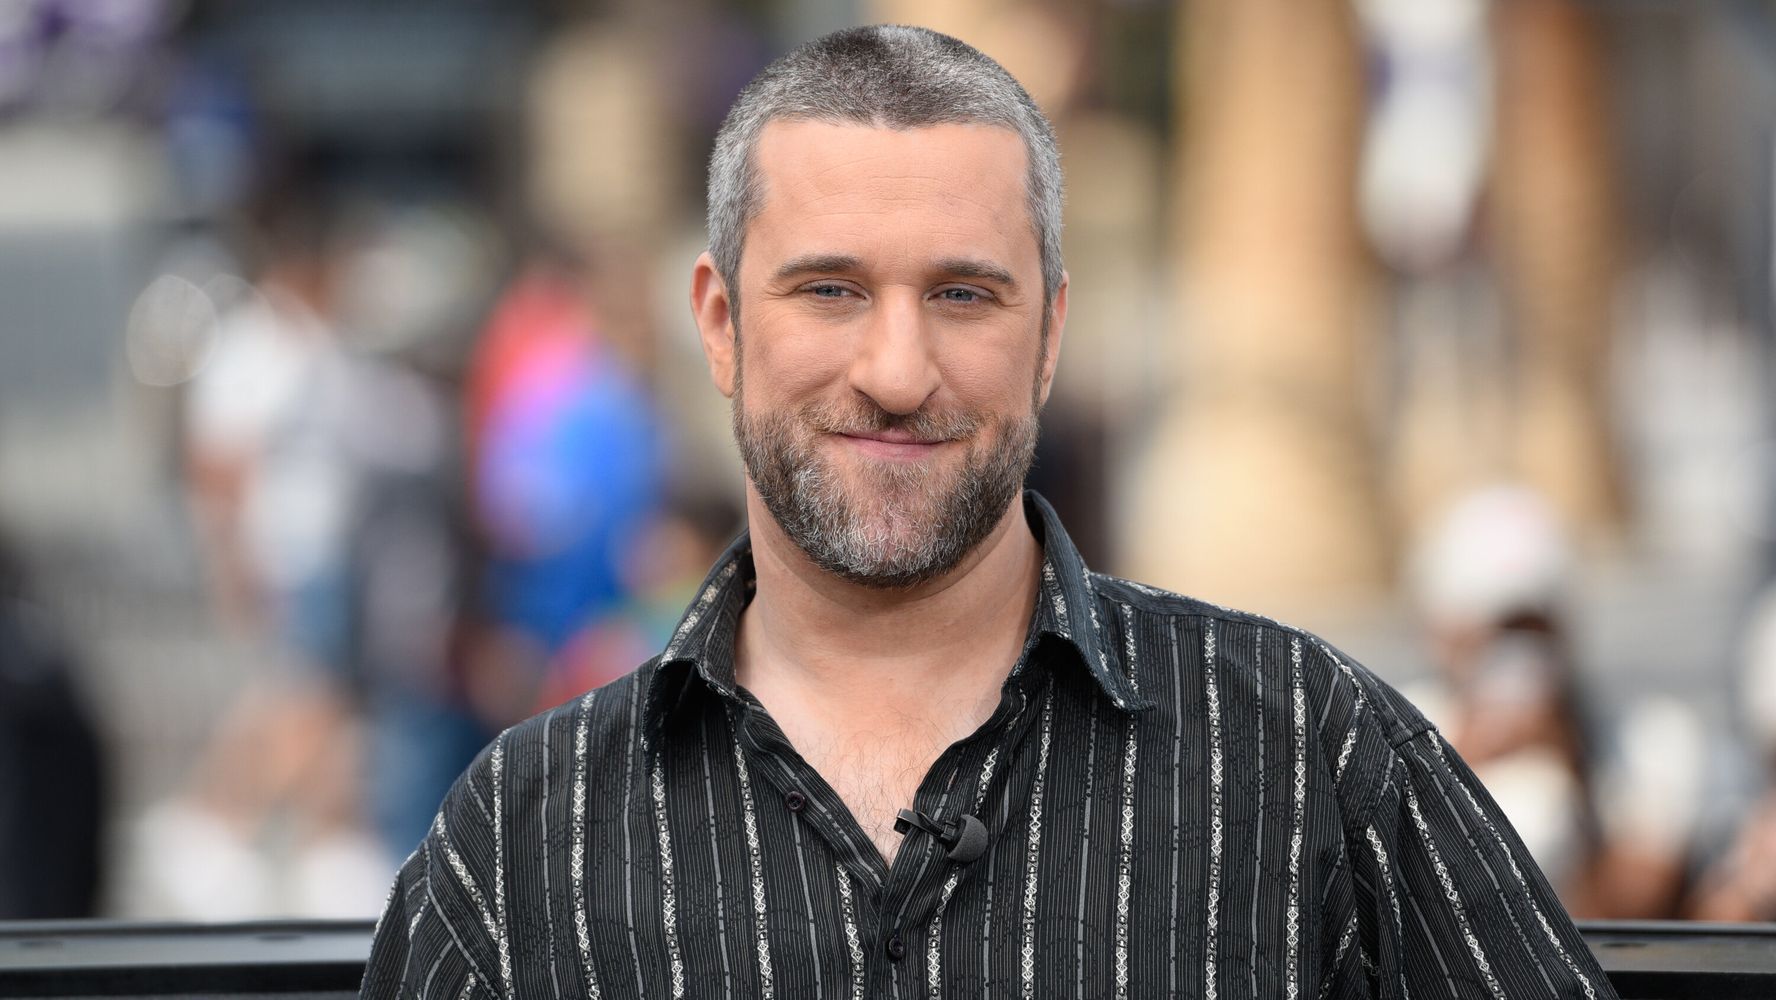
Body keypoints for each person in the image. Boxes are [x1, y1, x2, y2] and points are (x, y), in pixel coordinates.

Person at [362, 25, 1614, 999]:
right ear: (722, 324)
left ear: (1051, 333)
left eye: (964, 295)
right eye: (830, 290)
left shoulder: (1308, 757)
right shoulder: (525, 838)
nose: (898, 371)